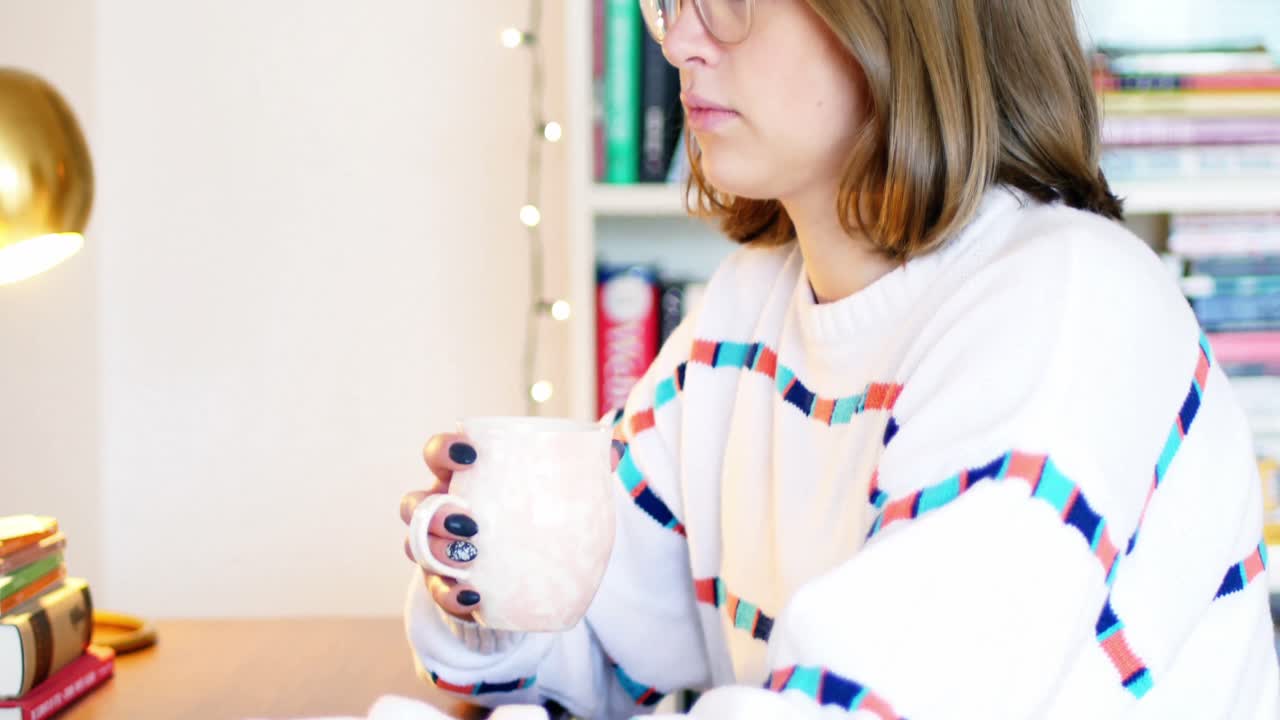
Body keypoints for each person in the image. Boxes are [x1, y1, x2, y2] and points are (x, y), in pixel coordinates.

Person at [398, 0, 1279, 717]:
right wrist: (492, 586)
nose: (679, 41)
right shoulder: (749, 306)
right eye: (669, 2)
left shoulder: (1074, 298)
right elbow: (594, 641)